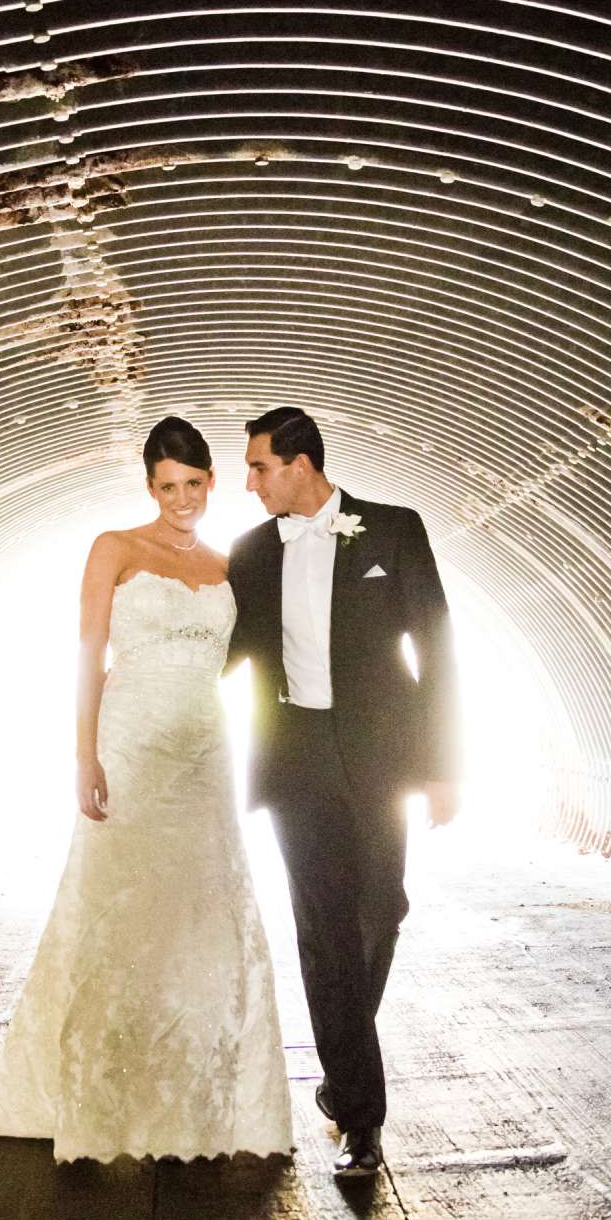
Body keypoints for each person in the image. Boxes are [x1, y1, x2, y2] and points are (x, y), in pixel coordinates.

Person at [0, 417, 292, 1164]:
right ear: (149, 487)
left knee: (199, 911)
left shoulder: (227, 562)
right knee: (116, 907)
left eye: (194, 485)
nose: (181, 499)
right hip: (129, 743)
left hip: (204, 747)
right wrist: (83, 754)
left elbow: (236, 657)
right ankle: (98, 1100)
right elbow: (87, 651)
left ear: (212, 482)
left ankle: (200, 1100)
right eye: (167, 487)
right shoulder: (113, 547)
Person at [228, 406, 459, 1180]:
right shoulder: (253, 553)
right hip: (296, 763)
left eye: (259, 467)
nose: (250, 483)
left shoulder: (393, 529)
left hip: (381, 759)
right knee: (323, 932)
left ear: (300, 463)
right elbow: (219, 654)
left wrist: (444, 765)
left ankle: (341, 1066)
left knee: (381, 910)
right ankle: (362, 1123)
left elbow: (436, 647)